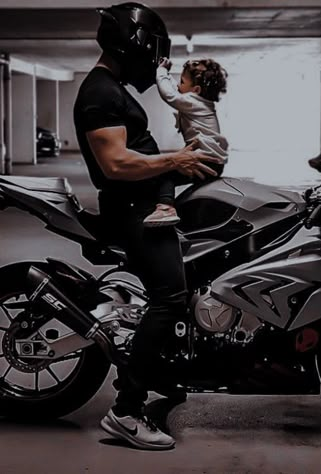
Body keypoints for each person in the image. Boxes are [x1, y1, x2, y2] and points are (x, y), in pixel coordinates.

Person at [73, 2, 223, 450]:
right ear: (134, 44)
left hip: (143, 201)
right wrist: (175, 160)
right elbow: (116, 163)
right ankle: (126, 410)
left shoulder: (112, 88)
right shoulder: (100, 92)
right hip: (133, 210)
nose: (158, 62)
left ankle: (161, 372)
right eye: (154, 52)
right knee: (170, 299)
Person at [143, 57, 229, 227]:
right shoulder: (202, 103)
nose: (177, 85)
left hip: (205, 160)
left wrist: (162, 72)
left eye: (182, 81)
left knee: (163, 174)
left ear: (196, 90)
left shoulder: (193, 102)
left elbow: (169, 95)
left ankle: (166, 209)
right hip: (212, 161)